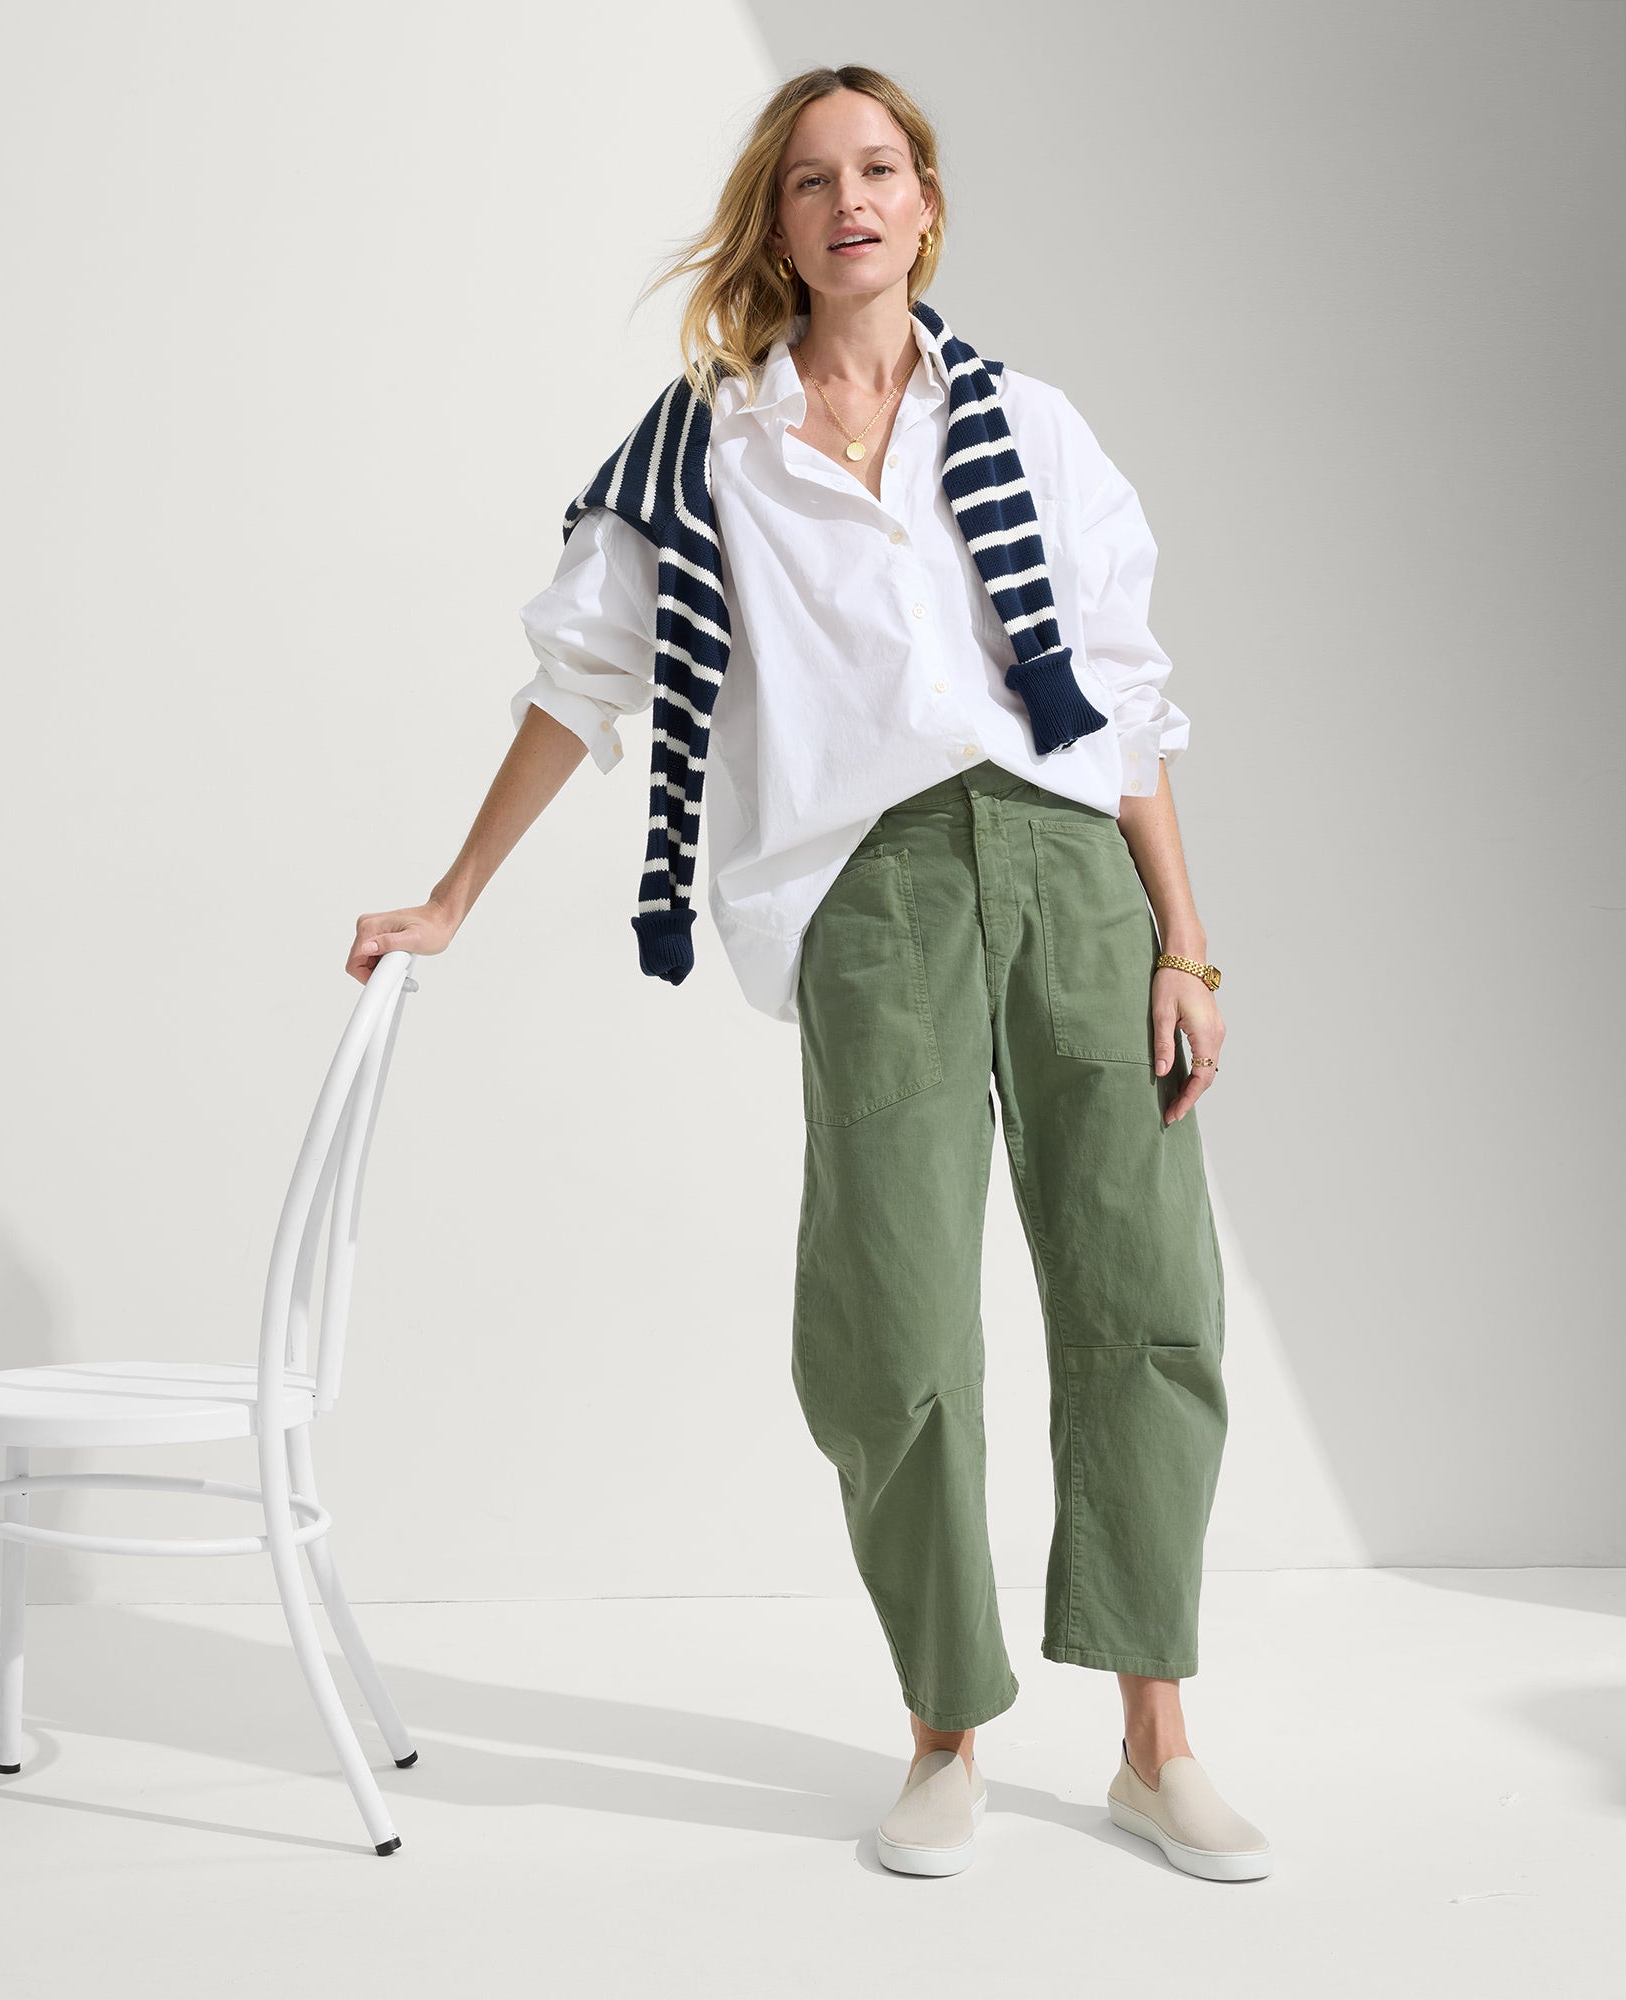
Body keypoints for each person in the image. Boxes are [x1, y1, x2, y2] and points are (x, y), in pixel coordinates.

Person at [347, 64, 1271, 1884]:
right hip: (878, 892)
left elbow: (1125, 701)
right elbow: (579, 682)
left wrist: (1186, 943)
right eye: (811, 179)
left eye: (881, 168)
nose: (851, 201)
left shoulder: (1028, 423)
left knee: (1147, 1295)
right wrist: (452, 894)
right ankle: (944, 1732)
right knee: (893, 1323)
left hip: (1070, 867)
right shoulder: (706, 449)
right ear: (774, 221)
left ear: (926, 203)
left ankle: (1156, 1744)